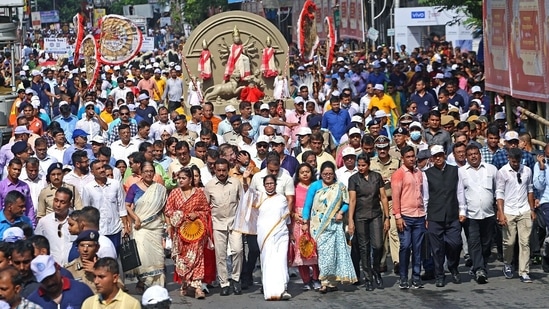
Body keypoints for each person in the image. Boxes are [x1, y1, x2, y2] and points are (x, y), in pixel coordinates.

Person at [301, 161, 357, 293]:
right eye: (325, 174)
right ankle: (324, 281)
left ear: (334, 174)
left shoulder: (340, 187)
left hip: (334, 225)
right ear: (321, 174)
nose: (328, 176)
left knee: (334, 254)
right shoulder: (315, 186)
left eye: (330, 174)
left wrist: (341, 212)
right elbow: (307, 206)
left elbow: (346, 202)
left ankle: (331, 282)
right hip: (318, 227)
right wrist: (305, 222)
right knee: (324, 254)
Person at [347, 153, 390, 291]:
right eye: (358, 165)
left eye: (363, 165)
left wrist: (387, 217)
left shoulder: (376, 177)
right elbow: (352, 200)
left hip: (375, 214)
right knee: (364, 248)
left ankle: (376, 270)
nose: (360, 168)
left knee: (377, 245)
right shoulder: (353, 179)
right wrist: (350, 221)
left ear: (368, 165)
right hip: (360, 216)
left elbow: (383, 197)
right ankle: (368, 278)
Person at [165, 167, 209, 299]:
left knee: (197, 258)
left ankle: (197, 287)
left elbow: (206, 210)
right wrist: (179, 215)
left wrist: (197, 214)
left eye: (183, 178)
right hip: (180, 233)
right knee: (183, 259)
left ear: (190, 180)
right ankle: (185, 284)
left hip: (196, 232)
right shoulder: (174, 193)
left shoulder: (199, 193)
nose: (180, 181)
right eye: (179, 178)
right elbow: (168, 210)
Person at [457, 144, 498, 284]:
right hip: (471, 214)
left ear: (480, 154)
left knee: (486, 243)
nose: (473, 156)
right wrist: (462, 211)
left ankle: (480, 265)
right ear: (466, 157)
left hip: (488, 213)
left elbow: (498, 190)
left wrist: (500, 209)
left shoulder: (491, 169)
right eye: (470, 154)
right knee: (474, 242)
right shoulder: (461, 172)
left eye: (476, 153)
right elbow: (460, 193)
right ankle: (480, 269)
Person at [423, 145, 462, 287]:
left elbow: (459, 192)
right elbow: (425, 196)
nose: (438, 158)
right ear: (432, 159)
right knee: (437, 248)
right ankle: (439, 275)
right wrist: (426, 216)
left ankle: (453, 266)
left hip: (452, 213)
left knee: (456, 243)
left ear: (444, 155)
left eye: (440, 155)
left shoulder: (455, 171)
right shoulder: (427, 174)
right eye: (435, 156)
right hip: (434, 215)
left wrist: (462, 210)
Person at [204, 158, 243, 296]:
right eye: (219, 170)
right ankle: (224, 283)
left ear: (228, 170)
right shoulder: (209, 186)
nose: (221, 173)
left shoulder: (236, 183)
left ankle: (236, 279)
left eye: (224, 170)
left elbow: (242, 202)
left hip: (235, 223)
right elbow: (205, 207)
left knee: (237, 250)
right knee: (220, 255)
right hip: (217, 224)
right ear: (215, 170)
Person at [496, 147, 535, 283]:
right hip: (509, 210)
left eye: (517, 161)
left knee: (525, 242)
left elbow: (530, 190)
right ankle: (507, 263)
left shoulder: (527, 171)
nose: (515, 164)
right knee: (509, 242)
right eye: (513, 161)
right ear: (509, 159)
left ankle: (524, 271)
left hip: (524, 209)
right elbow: (499, 193)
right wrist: (500, 212)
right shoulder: (502, 172)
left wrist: (531, 209)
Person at [391, 146, 426, 289]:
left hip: (419, 215)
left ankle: (416, 277)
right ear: (402, 158)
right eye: (408, 157)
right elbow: (395, 197)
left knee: (418, 248)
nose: (411, 159)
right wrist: (398, 216)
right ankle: (403, 277)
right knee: (405, 246)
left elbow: (423, 194)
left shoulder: (419, 173)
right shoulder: (399, 174)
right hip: (405, 216)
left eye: (413, 156)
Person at [255, 175, 291, 300]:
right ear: (264, 185)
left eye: (272, 183)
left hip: (281, 234)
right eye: (267, 184)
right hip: (264, 234)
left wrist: (291, 234)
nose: (269, 185)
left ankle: (283, 289)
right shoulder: (260, 198)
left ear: (276, 184)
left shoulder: (282, 199)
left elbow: (286, 218)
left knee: (281, 260)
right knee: (268, 261)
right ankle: (269, 289)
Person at [81, 161, 127, 250]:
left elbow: (122, 207)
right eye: (98, 169)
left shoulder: (115, 184)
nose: (102, 170)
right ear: (92, 172)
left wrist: (125, 226)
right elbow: (86, 211)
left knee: (115, 257)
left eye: (102, 167)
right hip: (98, 231)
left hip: (115, 229)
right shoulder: (88, 188)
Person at [291, 163, 320, 290]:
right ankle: (306, 280)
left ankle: (316, 278)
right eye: (302, 172)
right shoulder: (294, 187)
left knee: (314, 250)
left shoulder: (317, 186)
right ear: (297, 174)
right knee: (301, 251)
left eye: (307, 171)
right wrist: (294, 215)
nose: (305, 174)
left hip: (313, 221)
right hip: (298, 222)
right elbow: (290, 205)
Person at [27, 254, 94, 308]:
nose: (50, 282)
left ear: (57, 269)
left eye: (52, 276)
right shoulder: (32, 302)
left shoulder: (81, 290)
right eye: (44, 280)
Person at [35, 187, 75, 265]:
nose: (58, 205)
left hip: (73, 268)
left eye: (62, 202)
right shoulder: (44, 222)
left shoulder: (76, 221)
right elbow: (37, 244)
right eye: (56, 201)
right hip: (52, 268)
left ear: (69, 204)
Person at [0, 158, 35, 224]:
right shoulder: (1, 186)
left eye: (19, 170)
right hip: (5, 222)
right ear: (8, 168)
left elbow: (29, 206)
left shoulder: (24, 186)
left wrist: (32, 224)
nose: (17, 172)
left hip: (22, 222)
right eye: (14, 169)